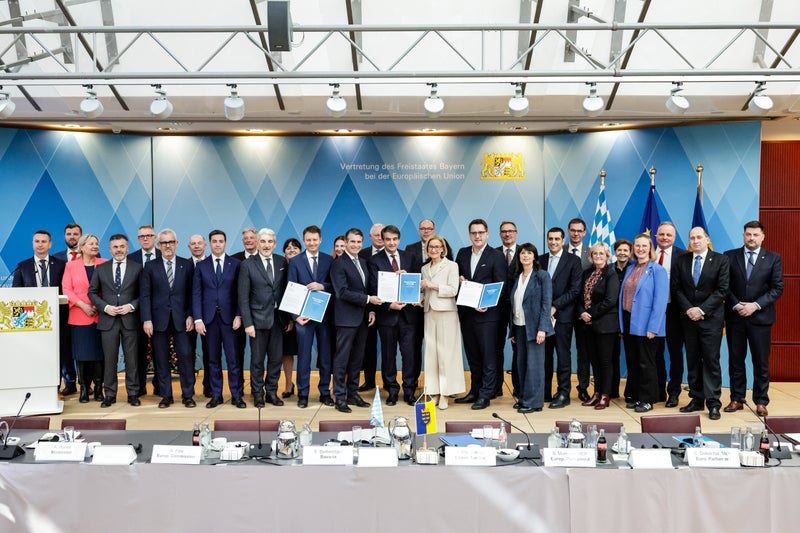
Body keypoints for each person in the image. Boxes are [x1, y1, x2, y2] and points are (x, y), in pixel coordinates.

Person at [723, 221, 784, 417]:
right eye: (748, 234)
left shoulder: (773, 258)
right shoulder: (729, 256)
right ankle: (737, 398)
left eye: (755, 235)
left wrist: (755, 305)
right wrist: (737, 305)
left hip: (761, 319)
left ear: (762, 237)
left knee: (761, 362)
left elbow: (777, 288)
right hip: (736, 317)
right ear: (743, 235)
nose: (751, 238)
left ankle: (761, 401)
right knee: (735, 361)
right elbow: (724, 285)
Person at [672, 227, 729, 420]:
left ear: (707, 239)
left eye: (699, 237)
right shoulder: (682, 260)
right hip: (688, 319)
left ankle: (713, 403)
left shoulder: (721, 260)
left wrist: (702, 310)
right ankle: (696, 399)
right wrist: (689, 309)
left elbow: (722, 290)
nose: (695, 241)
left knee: (711, 361)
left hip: (710, 320)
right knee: (693, 360)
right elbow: (676, 288)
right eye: (692, 238)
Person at [140, 229, 196, 408]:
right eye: (164, 243)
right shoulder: (150, 266)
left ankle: (188, 395)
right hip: (158, 321)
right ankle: (166, 395)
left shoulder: (187, 265)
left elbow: (193, 293)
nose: (168, 246)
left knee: (186, 357)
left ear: (177, 243)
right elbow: (145, 295)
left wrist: (191, 315)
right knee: (161, 358)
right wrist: (147, 319)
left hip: (182, 319)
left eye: (171, 242)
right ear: (159, 245)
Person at [454, 218, 506, 410]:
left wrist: (486, 304)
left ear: (487, 234)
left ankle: (485, 394)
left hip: (487, 316)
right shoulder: (462, 253)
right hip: (467, 314)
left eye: (481, 232)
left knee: (488, 357)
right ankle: (474, 391)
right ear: (469, 235)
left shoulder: (496, 256)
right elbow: (457, 279)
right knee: (473, 356)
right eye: (474, 233)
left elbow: (501, 285)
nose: (477, 236)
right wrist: (458, 280)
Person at [12, 230, 72, 395]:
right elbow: (16, 293)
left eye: (43, 241)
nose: (40, 244)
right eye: (37, 241)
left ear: (50, 244)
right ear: (33, 243)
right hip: (31, 320)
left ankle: (54, 389)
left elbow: (66, 290)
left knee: (58, 353)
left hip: (57, 317)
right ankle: (35, 387)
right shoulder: (22, 266)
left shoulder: (61, 265)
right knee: (35, 354)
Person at [367, 225, 421, 406]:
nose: (391, 243)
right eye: (388, 239)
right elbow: (373, 287)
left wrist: (408, 277)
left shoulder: (409, 257)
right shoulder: (374, 260)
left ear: (399, 239)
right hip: (387, 315)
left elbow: (417, 282)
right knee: (388, 356)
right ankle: (391, 391)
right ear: (382, 240)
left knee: (410, 356)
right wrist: (390, 305)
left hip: (409, 316)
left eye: (395, 239)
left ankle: (409, 391)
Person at [88, 234, 143, 407]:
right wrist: (105, 307)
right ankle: (110, 394)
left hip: (130, 319)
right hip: (108, 320)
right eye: (115, 247)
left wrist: (131, 306)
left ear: (127, 248)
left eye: (122, 246)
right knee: (109, 360)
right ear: (110, 249)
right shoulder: (101, 268)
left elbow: (144, 293)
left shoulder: (137, 268)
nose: (119, 250)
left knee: (132, 360)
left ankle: (133, 393)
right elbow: (92, 292)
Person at [193, 230, 245, 408]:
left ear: (225, 243)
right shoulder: (201, 266)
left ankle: (237, 395)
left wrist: (239, 314)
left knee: (233, 360)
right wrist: (198, 319)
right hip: (209, 321)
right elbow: (196, 294)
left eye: (220, 241)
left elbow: (241, 293)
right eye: (214, 241)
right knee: (213, 360)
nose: (217, 244)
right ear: (209, 244)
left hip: (231, 320)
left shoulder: (236, 264)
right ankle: (216, 395)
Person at [330, 228, 380, 413]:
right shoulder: (338, 264)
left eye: (359, 242)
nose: (356, 245)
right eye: (352, 242)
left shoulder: (364, 262)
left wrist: (371, 309)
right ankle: (339, 397)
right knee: (342, 359)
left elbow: (367, 289)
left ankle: (352, 392)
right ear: (346, 242)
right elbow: (342, 292)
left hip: (363, 319)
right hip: (345, 319)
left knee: (357, 359)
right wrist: (368, 300)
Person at [238, 228, 289, 409]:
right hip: (257, 321)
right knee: (257, 361)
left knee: (275, 360)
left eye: (270, 242)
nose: (266, 245)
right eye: (263, 241)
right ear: (257, 243)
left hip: (278, 320)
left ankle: (272, 392)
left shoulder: (282, 261)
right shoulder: (247, 265)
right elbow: (243, 297)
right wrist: (248, 323)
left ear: (274, 244)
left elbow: (286, 290)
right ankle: (258, 393)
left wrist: (289, 319)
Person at [620, 234, 668, 413]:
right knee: (633, 361)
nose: (640, 249)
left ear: (650, 249)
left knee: (646, 363)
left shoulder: (657, 270)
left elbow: (660, 301)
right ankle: (636, 396)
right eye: (637, 246)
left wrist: (653, 327)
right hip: (629, 321)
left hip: (646, 324)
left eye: (644, 246)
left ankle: (648, 399)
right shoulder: (630, 268)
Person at [288, 225, 335, 408]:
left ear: (320, 240)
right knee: (304, 358)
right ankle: (303, 394)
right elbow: (290, 288)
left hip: (324, 316)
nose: (312, 243)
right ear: (304, 240)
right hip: (303, 317)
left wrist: (323, 286)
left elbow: (335, 284)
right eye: (308, 240)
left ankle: (325, 392)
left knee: (325, 357)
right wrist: (295, 316)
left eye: (315, 239)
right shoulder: (295, 261)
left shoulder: (328, 260)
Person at [61, 234, 107, 403]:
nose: (95, 246)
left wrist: (99, 305)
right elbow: (67, 289)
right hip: (79, 316)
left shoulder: (104, 264)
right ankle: (84, 389)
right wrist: (83, 306)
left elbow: (110, 288)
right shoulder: (70, 266)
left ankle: (99, 389)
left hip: (101, 316)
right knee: (82, 355)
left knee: (100, 355)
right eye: (91, 243)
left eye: (96, 243)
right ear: (81, 247)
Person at [539, 227, 582, 408]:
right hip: (543, 317)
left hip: (563, 316)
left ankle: (564, 393)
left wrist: (555, 306)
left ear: (563, 240)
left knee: (563, 356)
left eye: (557, 239)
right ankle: (544, 392)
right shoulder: (540, 260)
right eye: (550, 239)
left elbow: (575, 290)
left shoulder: (573, 260)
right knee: (544, 356)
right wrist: (544, 309)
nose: (553, 242)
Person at [420, 235, 464, 410]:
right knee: (431, 355)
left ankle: (446, 393)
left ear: (443, 249)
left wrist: (432, 285)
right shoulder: (424, 268)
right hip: (429, 312)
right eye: (431, 247)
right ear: (427, 249)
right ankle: (434, 392)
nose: (434, 250)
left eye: (437, 247)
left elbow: (453, 290)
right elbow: (425, 293)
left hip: (447, 313)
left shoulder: (452, 265)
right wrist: (420, 299)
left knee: (446, 355)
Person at [509, 243, 554, 413]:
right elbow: (515, 304)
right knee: (522, 365)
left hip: (535, 328)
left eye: (529, 253)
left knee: (534, 366)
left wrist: (543, 328)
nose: (525, 256)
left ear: (534, 256)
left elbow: (546, 303)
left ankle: (534, 403)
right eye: (522, 253)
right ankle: (523, 398)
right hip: (519, 326)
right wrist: (513, 330)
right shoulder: (518, 276)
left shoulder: (542, 275)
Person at [575, 242, 620, 410]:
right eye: (595, 254)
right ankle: (596, 393)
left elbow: (610, 300)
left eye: (601, 254)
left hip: (605, 325)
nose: (598, 256)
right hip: (588, 325)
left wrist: (590, 314)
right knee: (594, 360)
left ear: (607, 256)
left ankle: (605, 395)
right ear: (591, 256)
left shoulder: (611, 274)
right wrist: (582, 313)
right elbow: (579, 297)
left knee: (605, 362)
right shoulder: (587, 273)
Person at [655, 221, 688, 407]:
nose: (665, 238)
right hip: (654, 313)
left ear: (674, 238)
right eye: (662, 234)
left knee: (675, 353)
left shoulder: (683, 256)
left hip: (675, 311)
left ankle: (674, 392)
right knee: (655, 353)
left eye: (669, 235)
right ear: (656, 236)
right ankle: (658, 390)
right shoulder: (648, 254)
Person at [127, 225, 162, 397]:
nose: (145, 238)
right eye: (142, 236)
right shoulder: (130, 258)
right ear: (138, 239)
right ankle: (140, 386)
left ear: (155, 238)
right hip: (136, 313)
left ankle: (160, 386)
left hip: (161, 312)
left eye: (149, 235)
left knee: (160, 351)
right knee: (138, 352)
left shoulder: (164, 255)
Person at [232, 227, 259, 393]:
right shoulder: (235, 259)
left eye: (251, 238)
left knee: (258, 355)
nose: (248, 240)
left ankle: (258, 389)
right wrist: (238, 314)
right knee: (238, 352)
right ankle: (239, 388)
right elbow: (233, 289)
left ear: (257, 240)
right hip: (239, 314)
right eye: (245, 238)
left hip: (260, 314)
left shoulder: (265, 258)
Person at [358, 223, 384, 392]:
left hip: (390, 308)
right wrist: (369, 306)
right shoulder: (362, 254)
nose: (380, 238)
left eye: (383, 235)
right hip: (369, 307)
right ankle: (369, 381)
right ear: (370, 237)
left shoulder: (395, 254)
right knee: (369, 346)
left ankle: (389, 382)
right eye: (376, 235)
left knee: (390, 347)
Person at [495, 220, 520, 398]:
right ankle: (496, 386)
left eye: (510, 231)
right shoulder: (493, 253)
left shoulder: (525, 252)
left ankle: (518, 387)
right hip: (496, 309)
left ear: (516, 233)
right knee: (495, 348)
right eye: (504, 231)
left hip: (518, 309)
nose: (507, 234)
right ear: (499, 234)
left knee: (518, 349)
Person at [187, 234, 211, 397]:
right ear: (189, 247)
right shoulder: (183, 265)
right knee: (188, 354)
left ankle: (208, 386)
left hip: (209, 317)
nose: (196, 246)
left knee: (210, 353)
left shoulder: (212, 263)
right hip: (188, 318)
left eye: (199, 243)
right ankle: (189, 389)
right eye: (193, 244)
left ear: (205, 246)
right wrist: (190, 315)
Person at [280, 237, 302, 400]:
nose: (291, 250)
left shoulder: (304, 266)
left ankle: (304, 386)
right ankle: (289, 384)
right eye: (288, 248)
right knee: (286, 352)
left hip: (304, 316)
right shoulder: (280, 267)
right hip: (284, 317)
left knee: (304, 353)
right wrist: (289, 318)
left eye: (295, 247)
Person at [611, 239, 633, 398]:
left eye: (626, 250)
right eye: (619, 250)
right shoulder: (609, 269)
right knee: (612, 356)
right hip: (611, 317)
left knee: (632, 356)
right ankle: (612, 391)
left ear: (630, 252)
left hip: (628, 317)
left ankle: (630, 392)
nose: (622, 253)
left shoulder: (634, 269)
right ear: (615, 252)